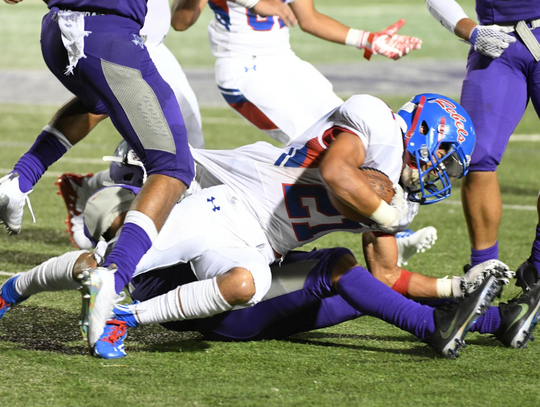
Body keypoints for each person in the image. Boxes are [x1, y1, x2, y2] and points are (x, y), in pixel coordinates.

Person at [76, 92, 483, 352]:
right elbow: (339, 176)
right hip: (204, 282)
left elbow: (386, 274)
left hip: (245, 282)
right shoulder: (376, 125)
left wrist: (457, 287)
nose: (438, 174)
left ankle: (495, 321)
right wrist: (386, 215)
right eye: (443, 159)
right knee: (336, 266)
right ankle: (432, 327)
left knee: (361, 289)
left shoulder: (390, 186)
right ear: (428, 132)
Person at [0, 0, 297, 354]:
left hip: (57, 32)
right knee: (173, 168)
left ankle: (20, 180)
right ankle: (114, 275)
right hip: (112, 37)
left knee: (97, 103)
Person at [171, 0, 422, 144]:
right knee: (318, 144)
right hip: (243, 67)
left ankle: (385, 233)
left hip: (285, 60)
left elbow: (309, 19)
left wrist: (367, 39)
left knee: (355, 131)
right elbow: (180, 22)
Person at [425, 0, 540, 270]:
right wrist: (472, 31)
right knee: (475, 157)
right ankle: (483, 271)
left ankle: (538, 267)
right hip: (496, 44)